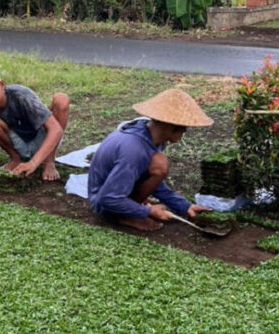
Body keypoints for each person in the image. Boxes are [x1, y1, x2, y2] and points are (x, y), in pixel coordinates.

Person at [88, 88, 213, 232]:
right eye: (184, 127)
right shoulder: (134, 150)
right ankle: (123, 216)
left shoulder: (149, 135)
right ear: (170, 125)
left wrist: (184, 206)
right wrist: (148, 211)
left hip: (116, 191)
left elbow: (153, 181)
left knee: (159, 163)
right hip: (103, 203)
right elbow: (109, 198)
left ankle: (132, 206)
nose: (185, 131)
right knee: (160, 165)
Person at [0, 66, 70, 182]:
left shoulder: (21, 96)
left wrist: (34, 163)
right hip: (18, 143)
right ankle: (17, 159)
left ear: (1, 85)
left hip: (41, 137)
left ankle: (49, 161)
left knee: (61, 99)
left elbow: (56, 130)